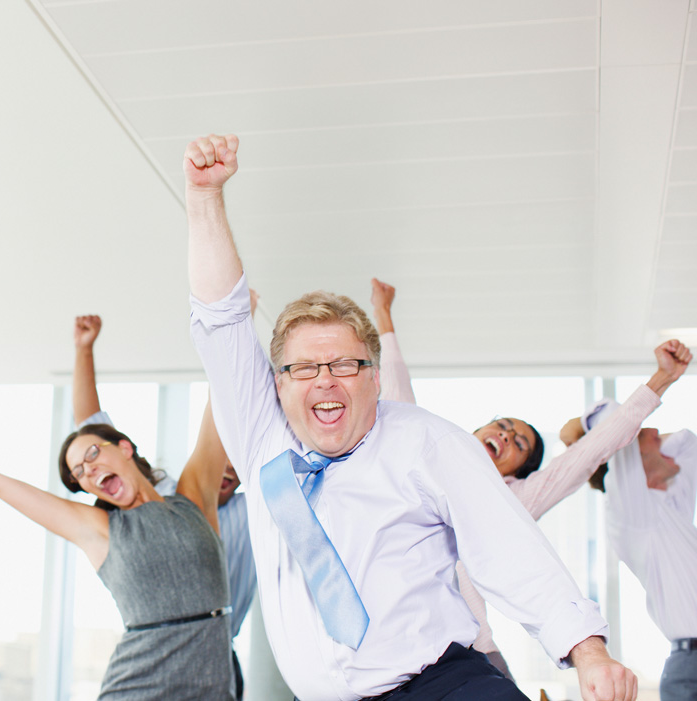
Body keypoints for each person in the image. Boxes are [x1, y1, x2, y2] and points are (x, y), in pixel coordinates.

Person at [184, 132, 637, 701]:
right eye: (305, 368)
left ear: (375, 377)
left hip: (443, 686)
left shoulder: (429, 442)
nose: (325, 379)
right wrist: (204, 199)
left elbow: (509, 549)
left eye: (345, 364)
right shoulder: (261, 442)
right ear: (278, 382)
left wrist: (588, 652)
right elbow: (221, 320)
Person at [371, 277, 692, 680]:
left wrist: (662, 379)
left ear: (515, 473)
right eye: (501, 426)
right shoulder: (424, 462)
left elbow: (591, 450)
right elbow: (399, 399)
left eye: (517, 442)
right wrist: (384, 316)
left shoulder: (511, 499)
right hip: (392, 656)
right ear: (476, 431)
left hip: (472, 657)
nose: (505, 435)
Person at [0, 389, 236, 700]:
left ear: (125, 448)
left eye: (93, 454)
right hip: (140, 687)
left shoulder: (193, 498)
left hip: (214, 682)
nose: (89, 470)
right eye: (80, 473)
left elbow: (219, 397)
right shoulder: (100, 529)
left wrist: (231, 320)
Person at [71, 313, 256, 697]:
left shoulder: (253, 512)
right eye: (223, 459)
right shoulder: (166, 496)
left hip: (218, 650)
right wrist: (84, 350)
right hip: (159, 646)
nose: (228, 468)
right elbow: (90, 432)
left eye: (237, 465)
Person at [567, 373, 697, 701]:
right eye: (647, 435)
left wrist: (647, 449)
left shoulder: (668, 511)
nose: (657, 433)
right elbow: (609, 415)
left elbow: (688, 442)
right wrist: (591, 436)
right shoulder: (632, 514)